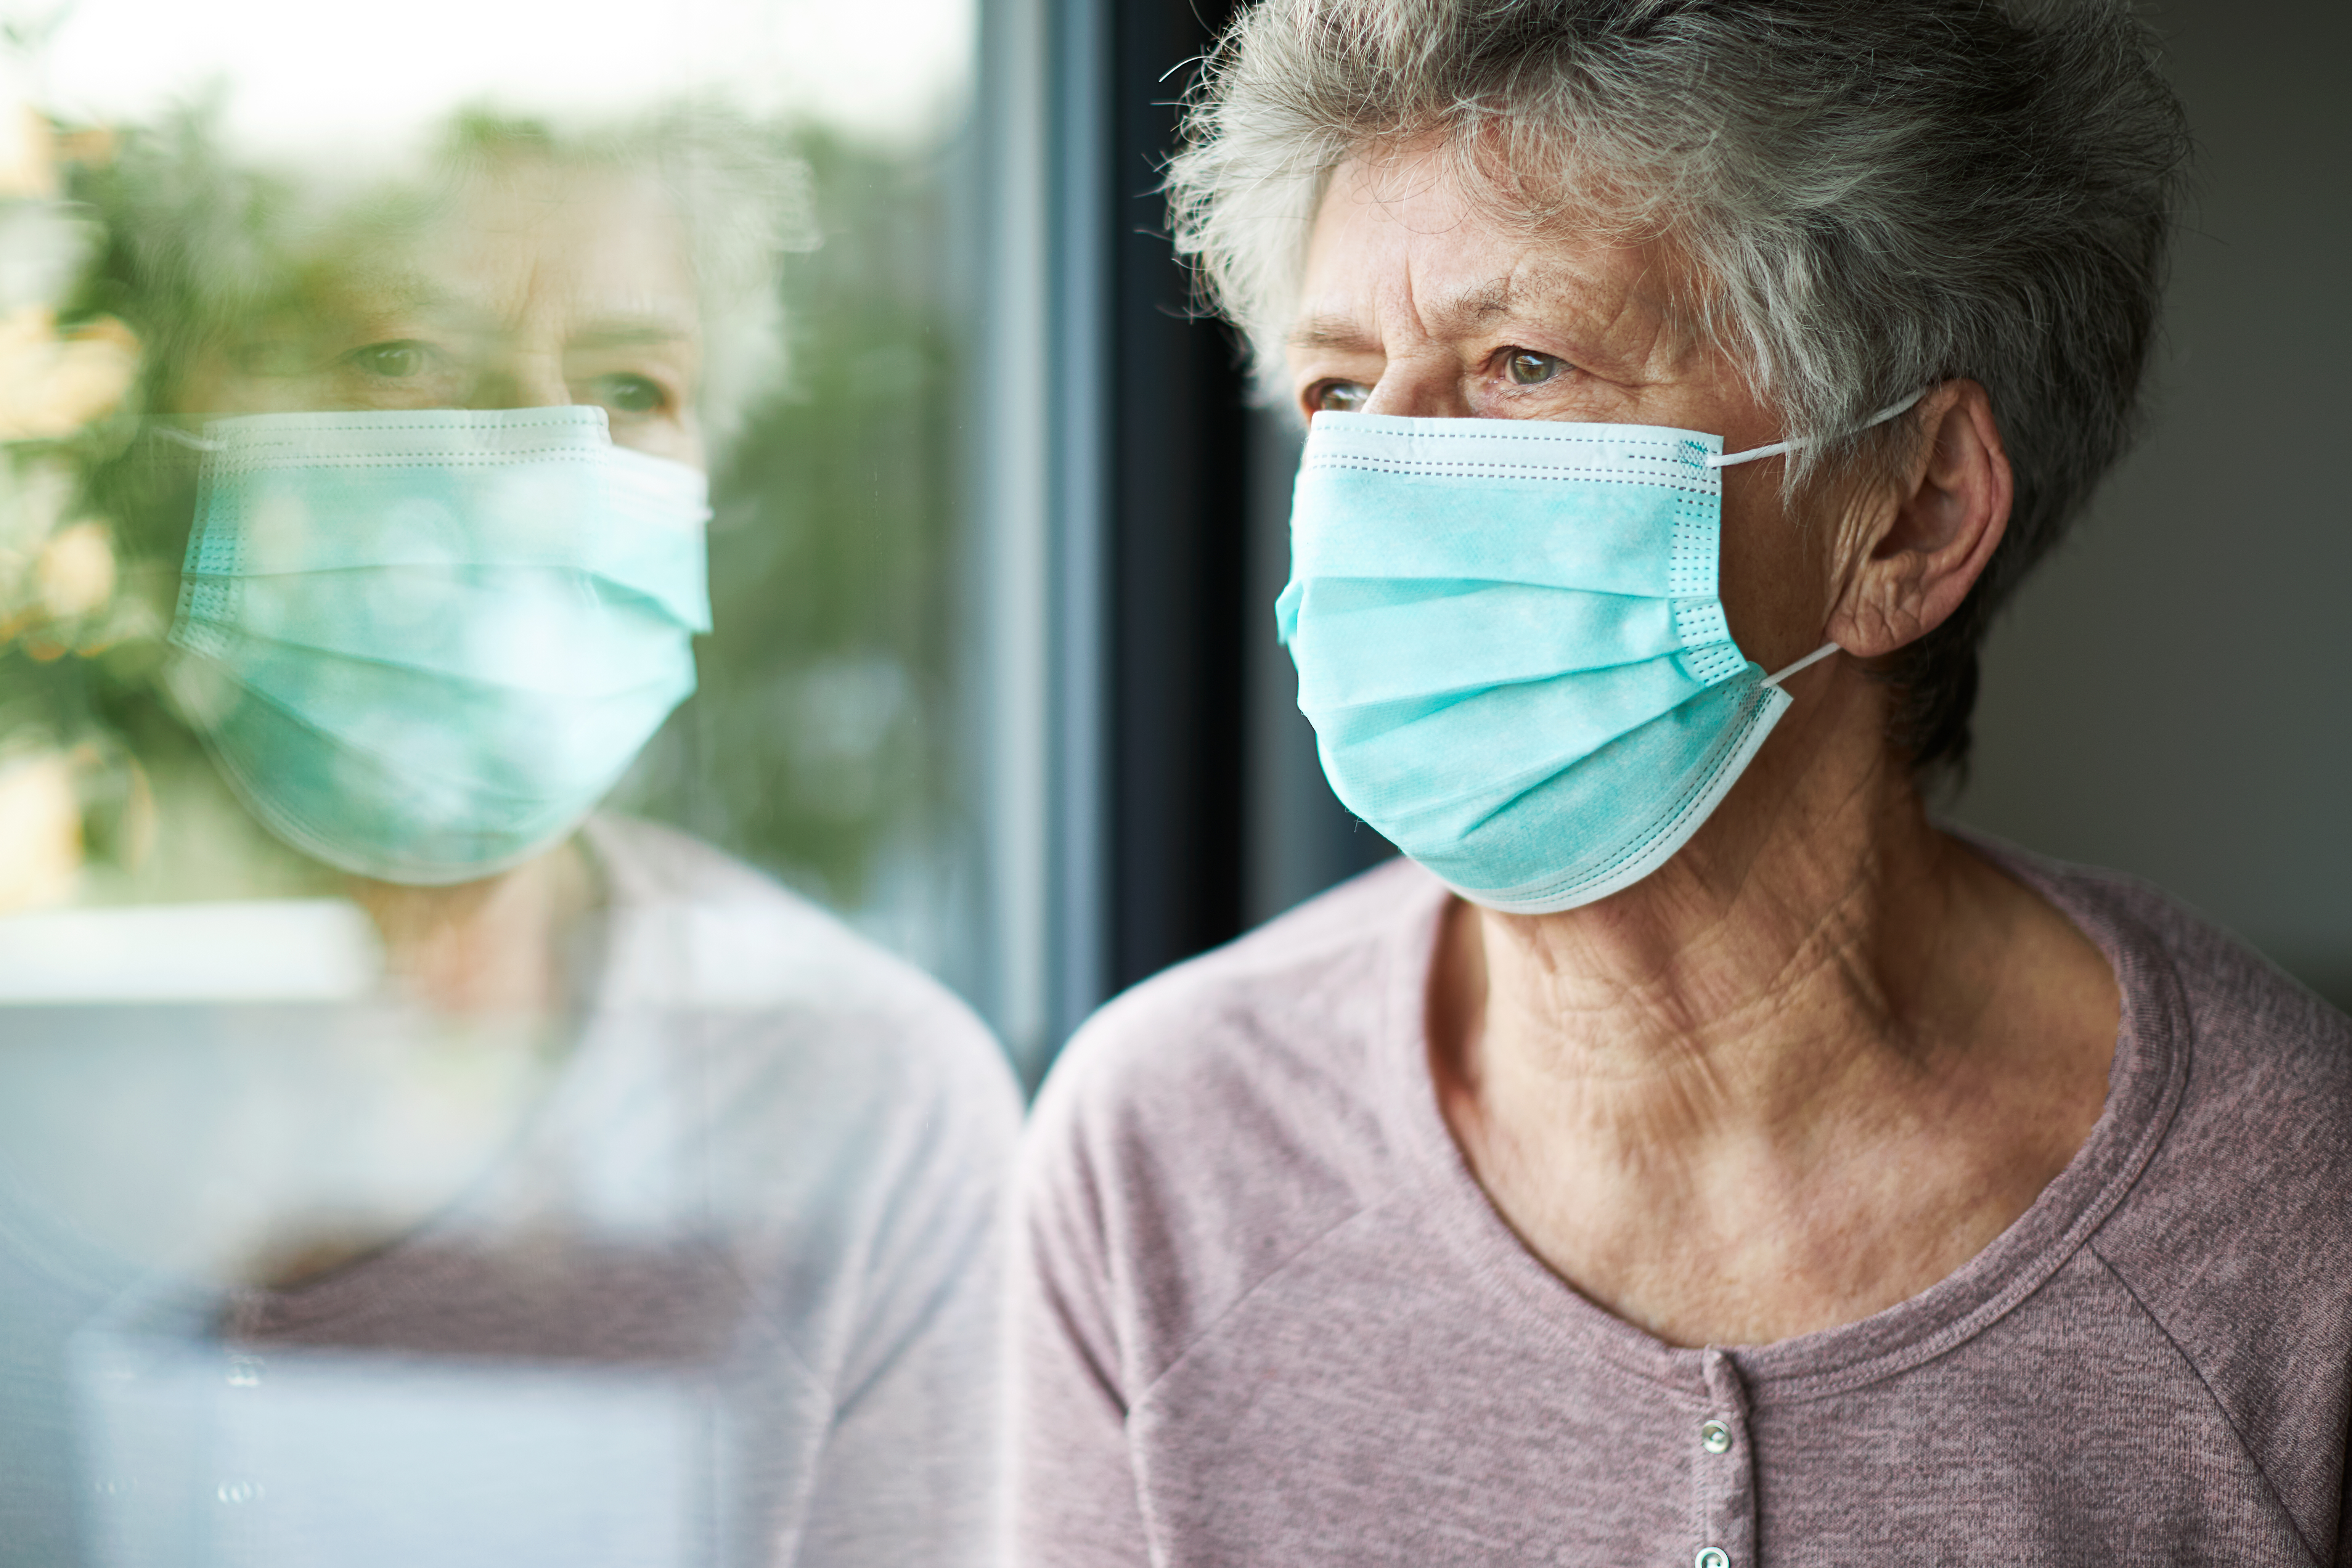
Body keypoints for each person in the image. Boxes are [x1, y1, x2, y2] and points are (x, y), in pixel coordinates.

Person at [1011, 1, 2352, 1563]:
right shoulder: (1163, 1155)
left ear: (1908, 517)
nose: (1385, 482)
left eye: (1525, 361)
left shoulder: (2290, 1218)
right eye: (1339, 392)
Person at [0, 113, 1017, 1567]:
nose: (546, 460)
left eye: (629, 386)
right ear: (192, 431)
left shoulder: (857, 1101)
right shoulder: (37, 1050)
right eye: (405, 359)